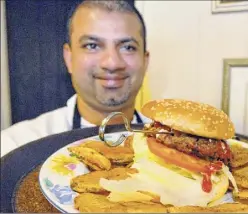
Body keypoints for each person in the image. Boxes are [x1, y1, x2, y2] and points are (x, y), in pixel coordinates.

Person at [1, 0, 151, 157]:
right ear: (69, 58)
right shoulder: (16, 147)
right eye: (92, 46)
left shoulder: (170, 142)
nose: (112, 63)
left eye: (128, 47)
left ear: (145, 61)